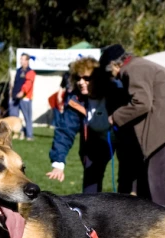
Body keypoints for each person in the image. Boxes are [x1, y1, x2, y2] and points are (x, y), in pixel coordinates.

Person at [100, 44, 165, 206]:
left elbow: (141, 103)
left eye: (109, 70)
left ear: (114, 64)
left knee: (158, 179)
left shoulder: (132, 69)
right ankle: (154, 223)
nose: (113, 76)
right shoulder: (140, 65)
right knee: (151, 178)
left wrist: (116, 117)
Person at [45, 57, 137, 194]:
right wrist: (58, 164)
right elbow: (65, 131)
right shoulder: (75, 100)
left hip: (123, 140)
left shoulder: (116, 92)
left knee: (127, 185)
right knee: (90, 187)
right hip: (96, 143)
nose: (81, 82)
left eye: (86, 78)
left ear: (98, 79)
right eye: (78, 78)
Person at [10, 53, 35, 141]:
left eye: (23, 59)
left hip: (25, 98)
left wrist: (22, 92)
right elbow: (15, 83)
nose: (21, 61)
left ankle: (29, 135)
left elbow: (28, 84)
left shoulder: (30, 72)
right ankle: (19, 132)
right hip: (14, 97)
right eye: (20, 59)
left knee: (27, 117)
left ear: (27, 61)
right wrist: (12, 92)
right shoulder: (18, 70)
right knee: (14, 117)